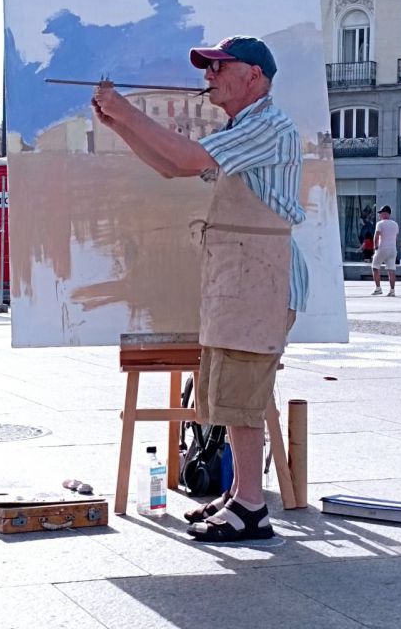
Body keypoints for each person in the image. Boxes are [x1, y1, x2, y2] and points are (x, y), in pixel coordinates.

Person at [92, 35, 307, 543]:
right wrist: (121, 125)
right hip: (241, 278)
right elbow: (172, 166)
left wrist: (126, 109)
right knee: (226, 390)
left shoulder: (269, 125)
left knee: (242, 393)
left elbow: (187, 158)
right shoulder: (244, 128)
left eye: (218, 66)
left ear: (253, 75)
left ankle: (252, 507)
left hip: (262, 281)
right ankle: (240, 497)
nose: (207, 75)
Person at [371, 205, 399, 296]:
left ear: (385, 213)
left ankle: (378, 288)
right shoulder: (395, 224)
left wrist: (375, 246)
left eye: (380, 213)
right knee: (391, 269)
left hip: (382, 248)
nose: (379, 215)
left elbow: (377, 235)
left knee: (375, 267)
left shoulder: (380, 224)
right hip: (392, 249)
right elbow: (395, 237)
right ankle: (392, 290)